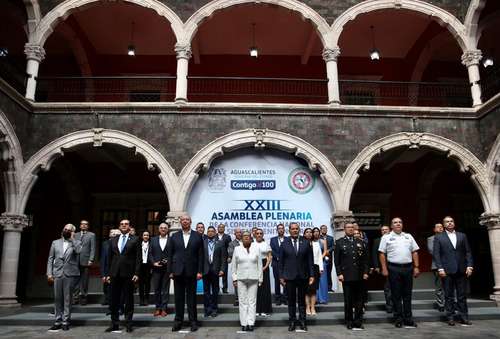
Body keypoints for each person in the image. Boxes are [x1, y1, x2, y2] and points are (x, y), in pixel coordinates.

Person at [379, 217, 420, 328]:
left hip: (408, 268)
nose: (398, 224)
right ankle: (398, 318)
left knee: (407, 294)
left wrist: (416, 267)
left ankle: (408, 319)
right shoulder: (386, 237)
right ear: (391, 226)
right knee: (396, 295)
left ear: (402, 225)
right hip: (393, 268)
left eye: (400, 222)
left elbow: (415, 252)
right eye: (395, 222)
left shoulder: (408, 236)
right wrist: (384, 268)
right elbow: (382, 254)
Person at [433, 216, 474, 326]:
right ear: (444, 224)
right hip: (446, 270)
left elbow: (468, 252)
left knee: (462, 295)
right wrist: (440, 268)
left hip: (461, 269)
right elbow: (437, 254)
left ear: (454, 223)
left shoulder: (462, 236)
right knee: (449, 296)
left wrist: (469, 266)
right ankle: (450, 317)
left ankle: (464, 317)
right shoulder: (439, 237)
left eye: (451, 221)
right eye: (447, 222)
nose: (450, 223)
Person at [168, 214, 204, 332]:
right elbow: (170, 255)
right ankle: (178, 321)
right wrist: (170, 271)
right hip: (177, 271)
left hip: (192, 272)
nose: (185, 221)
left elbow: (201, 256)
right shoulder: (174, 236)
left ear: (190, 222)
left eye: (187, 220)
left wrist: (199, 271)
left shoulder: (198, 236)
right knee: (178, 298)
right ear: (180, 222)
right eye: (183, 220)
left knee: (191, 298)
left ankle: (193, 321)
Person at [105, 219, 141, 333]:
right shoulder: (113, 240)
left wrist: (136, 273)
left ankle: (128, 323)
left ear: (129, 226)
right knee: (113, 299)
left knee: (128, 299)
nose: (124, 225)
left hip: (129, 274)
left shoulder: (135, 239)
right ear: (119, 227)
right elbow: (109, 258)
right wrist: (108, 274)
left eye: (126, 224)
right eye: (122, 224)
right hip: (114, 274)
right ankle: (114, 323)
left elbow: (138, 258)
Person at [279, 222, 314, 332]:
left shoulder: (306, 242)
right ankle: (292, 321)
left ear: (299, 230)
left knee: (302, 301)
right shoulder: (284, 243)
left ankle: (303, 321)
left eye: (296, 229)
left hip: (303, 276)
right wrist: (281, 276)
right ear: (289, 230)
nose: (295, 230)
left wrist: (312, 275)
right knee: (291, 301)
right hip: (289, 277)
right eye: (293, 229)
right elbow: (281, 262)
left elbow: (310, 260)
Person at [47, 224, 82, 331]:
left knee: (67, 299)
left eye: (69, 230)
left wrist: (72, 239)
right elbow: (50, 259)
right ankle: (57, 320)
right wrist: (49, 273)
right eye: (65, 229)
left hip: (70, 274)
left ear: (72, 232)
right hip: (57, 273)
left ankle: (65, 321)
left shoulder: (77, 242)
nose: (66, 231)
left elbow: (78, 251)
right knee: (57, 298)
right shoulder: (55, 242)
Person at [335, 223, 369, 330]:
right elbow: (337, 261)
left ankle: (358, 321)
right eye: (348, 227)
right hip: (347, 276)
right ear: (344, 229)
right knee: (348, 300)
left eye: (352, 227)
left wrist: (366, 272)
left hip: (359, 276)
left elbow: (366, 260)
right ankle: (349, 321)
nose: (350, 229)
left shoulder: (360, 242)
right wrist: (339, 273)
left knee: (359, 300)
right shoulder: (340, 242)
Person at [232, 231, 263, 332]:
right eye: (244, 236)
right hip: (241, 278)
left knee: (252, 301)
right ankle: (244, 323)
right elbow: (234, 266)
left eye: (248, 236)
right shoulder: (237, 249)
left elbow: (260, 265)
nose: (246, 238)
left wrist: (260, 278)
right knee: (242, 301)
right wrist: (234, 278)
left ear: (251, 238)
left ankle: (251, 323)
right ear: (241, 238)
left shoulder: (256, 248)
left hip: (254, 278)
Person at [202, 226, 226, 317]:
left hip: (216, 270)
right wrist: (199, 271)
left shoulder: (220, 243)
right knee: (206, 292)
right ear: (207, 233)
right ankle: (207, 310)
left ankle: (214, 309)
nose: (210, 233)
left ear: (215, 232)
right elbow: (200, 258)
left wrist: (222, 269)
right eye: (209, 231)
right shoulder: (202, 243)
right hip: (205, 270)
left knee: (215, 292)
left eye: (212, 231)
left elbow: (223, 258)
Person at [149, 222, 171, 317]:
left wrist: (169, 261)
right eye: (161, 228)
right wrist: (153, 262)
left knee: (165, 290)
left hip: (167, 269)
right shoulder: (153, 240)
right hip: (156, 269)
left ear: (167, 229)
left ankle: (164, 309)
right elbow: (150, 253)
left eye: (165, 228)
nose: (163, 229)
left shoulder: (171, 240)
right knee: (157, 289)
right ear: (159, 229)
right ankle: (158, 308)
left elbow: (173, 253)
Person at [73, 220, 95, 305]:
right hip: (75, 260)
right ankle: (75, 297)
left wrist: (91, 259)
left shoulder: (91, 235)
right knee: (75, 280)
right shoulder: (75, 235)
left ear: (88, 226)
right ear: (80, 226)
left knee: (84, 280)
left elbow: (93, 248)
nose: (84, 225)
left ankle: (84, 297)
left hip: (85, 260)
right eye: (82, 224)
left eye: (86, 224)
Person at [371, 225, 392, 313]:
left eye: (386, 229)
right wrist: (376, 266)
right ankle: (389, 306)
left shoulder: (394, 239)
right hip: (384, 267)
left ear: (389, 230)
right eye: (382, 230)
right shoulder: (377, 241)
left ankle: (396, 305)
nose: (384, 231)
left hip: (396, 266)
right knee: (387, 287)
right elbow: (374, 254)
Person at [303, 228, 324, 315]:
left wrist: (321, 268)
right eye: (307, 232)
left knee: (313, 289)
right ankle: (307, 307)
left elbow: (319, 257)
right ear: (304, 234)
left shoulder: (316, 244)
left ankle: (313, 307)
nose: (309, 234)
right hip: (304, 269)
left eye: (310, 232)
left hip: (315, 268)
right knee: (306, 290)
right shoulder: (302, 244)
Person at [254, 228, 273, 317]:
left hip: (265, 266)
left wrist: (265, 266)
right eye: (257, 233)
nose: (259, 235)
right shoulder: (252, 244)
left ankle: (265, 310)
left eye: (261, 233)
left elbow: (269, 256)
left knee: (265, 288)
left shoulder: (266, 244)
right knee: (256, 289)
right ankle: (257, 310)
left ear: (263, 235)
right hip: (254, 267)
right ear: (254, 234)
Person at [100, 229, 120, 311]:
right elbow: (103, 260)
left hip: (118, 271)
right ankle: (110, 307)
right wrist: (103, 274)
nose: (114, 235)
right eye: (112, 233)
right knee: (108, 289)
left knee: (117, 291)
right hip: (108, 270)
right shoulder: (105, 244)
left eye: (116, 234)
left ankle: (118, 307)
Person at [427, 223, 445, 312]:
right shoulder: (431, 239)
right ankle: (441, 304)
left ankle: (451, 303)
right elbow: (432, 252)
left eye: (442, 227)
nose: (441, 228)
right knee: (440, 286)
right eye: (438, 227)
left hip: (450, 265)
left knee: (450, 285)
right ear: (434, 229)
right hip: (437, 265)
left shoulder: (448, 237)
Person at [270, 223, 287, 305]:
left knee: (285, 281)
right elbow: (271, 250)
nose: (280, 229)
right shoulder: (272, 239)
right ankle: (277, 299)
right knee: (277, 281)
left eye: (282, 228)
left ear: (284, 230)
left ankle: (285, 298)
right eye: (279, 228)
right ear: (277, 230)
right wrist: (277, 257)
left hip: (286, 264)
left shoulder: (288, 239)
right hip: (276, 263)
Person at [228, 227, 243, 306]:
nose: (239, 234)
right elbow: (231, 253)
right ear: (235, 234)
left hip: (246, 265)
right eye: (237, 232)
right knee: (236, 282)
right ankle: (237, 299)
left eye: (240, 232)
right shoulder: (231, 243)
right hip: (236, 265)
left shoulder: (246, 242)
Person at [314, 227, 329, 305]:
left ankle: (323, 299)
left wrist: (320, 258)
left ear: (319, 233)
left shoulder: (323, 241)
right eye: (315, 231)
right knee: (315, 281)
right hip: (314, 263)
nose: (316, 233)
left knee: (322, 281)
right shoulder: (311, 242)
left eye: (317, 231)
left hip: (322, 262)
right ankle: (316, 298)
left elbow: (325, 251)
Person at [216, 223, 231, 294]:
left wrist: (229, 256)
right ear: (217, 228)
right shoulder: (214, 236)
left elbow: (230, 248)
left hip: (224, 258)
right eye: (220, 227)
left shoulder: (227, 237)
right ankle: (217, 288)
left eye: (222, 227)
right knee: (215, 274)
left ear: (224, 229)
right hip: (215, 258)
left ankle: (225, 288)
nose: (221, 228)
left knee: (225, 274)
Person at [319, 225, 335, 292]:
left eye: (325, 228)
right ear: (320, 230)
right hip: (320, 258)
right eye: (323, 229)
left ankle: (329, 287)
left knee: (329, 273)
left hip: (329, 258)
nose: (324, 230)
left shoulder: (330, 238)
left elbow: (333, 246)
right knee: (321, 273)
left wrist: (328, 251)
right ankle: (322, 288)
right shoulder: (318, 238)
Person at [138, 230, 151, 306]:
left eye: (147, 235)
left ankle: (146, 299)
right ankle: (141, 299)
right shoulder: (139, 244)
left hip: (148, 266)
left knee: (147, 283)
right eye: (144, 235)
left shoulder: (151, 244)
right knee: (141, 284)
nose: (146, 236)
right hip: (140, 265)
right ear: (142, 236)